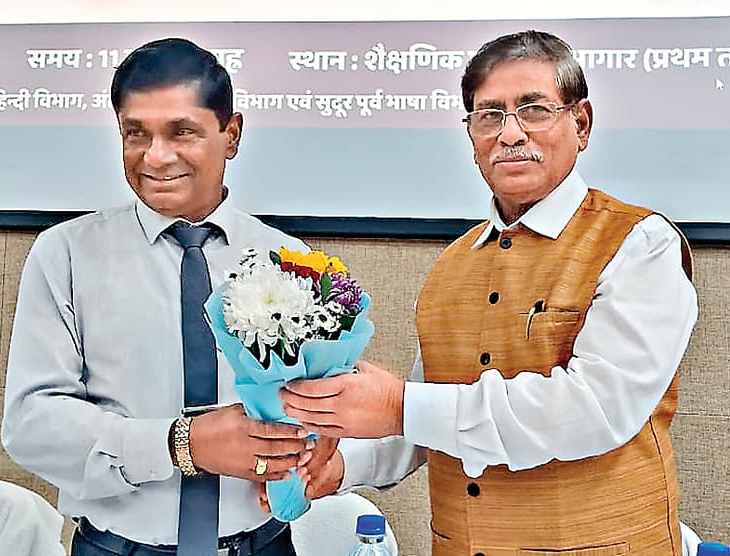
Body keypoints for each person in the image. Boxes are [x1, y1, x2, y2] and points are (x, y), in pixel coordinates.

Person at [281, 30, 700, 555]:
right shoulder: (452, 264)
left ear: (582, 123)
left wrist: (397, 404)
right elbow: (425, 416)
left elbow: (594, 409)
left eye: (534, 110)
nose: (510, 133)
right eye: (489, 115)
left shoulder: (640, 244)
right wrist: (341, 465)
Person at [2, 37, 319, 556]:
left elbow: (317, 406)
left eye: (181, 131)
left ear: (231, 134)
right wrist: (181, 444)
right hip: (117, 549)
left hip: (261, 545)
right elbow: (32, 424)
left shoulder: (288, 259)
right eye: (135, 133)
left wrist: (317, 451)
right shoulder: (65, 255)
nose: (155, 156)